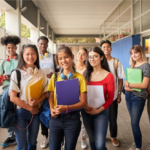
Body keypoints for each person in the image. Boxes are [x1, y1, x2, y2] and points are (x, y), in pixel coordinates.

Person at [47, 46, 87, 150]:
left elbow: (83, 103)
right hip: (56, 119)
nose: (63, 60)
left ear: (72, 57)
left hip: (72, 119)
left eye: (66, 57)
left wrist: (66, 108)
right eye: (60, 58)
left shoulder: (80, 78)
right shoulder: (54, 77)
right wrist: (51, 109)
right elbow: (50, 96)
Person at [9, 44, 48, 150]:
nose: (30, 57)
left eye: (33, 54)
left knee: (32, 143)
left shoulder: (41, 73)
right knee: (22, 146)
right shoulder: (16, 73)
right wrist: (30, 108)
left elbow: (46, 93)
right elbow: (13, 98)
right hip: (21, 112)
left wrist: (37, 102)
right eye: (27, 54)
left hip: (36, 111)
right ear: (22, 55)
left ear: (37, 55)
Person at [82, 47, 115, 150]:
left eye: (95, 56)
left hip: (101, 112)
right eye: (90, 57)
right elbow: (82, 93)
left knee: (100, 145)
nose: (92, 59)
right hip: (86, 111)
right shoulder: (85, 74)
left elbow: (110, 98)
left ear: (101, 58)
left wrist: (97, 111)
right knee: (92, 141)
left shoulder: (108, 76)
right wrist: (85, 106)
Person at [100, 40, 126, 147]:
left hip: (112, 95)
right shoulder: (98, 62)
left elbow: (120, 79)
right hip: (100, 95)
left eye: (108, 47)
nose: (106, 49)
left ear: (111, 49)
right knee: (100, 117)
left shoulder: (116, 62)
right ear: (101, 49)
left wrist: (119, 93)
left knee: (113, 118)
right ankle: (101, 135)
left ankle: (113, 136)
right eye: (104, 47)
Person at [124, 45, 150, 150]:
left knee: (134, 123)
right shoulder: (132, 65)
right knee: (133, 121)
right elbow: (126, 83)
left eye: (136, 53)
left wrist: (129, 85)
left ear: (141, 53)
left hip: (138, 98)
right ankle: (136, 140)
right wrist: (126, 87)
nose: (134, 55)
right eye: (132, 53)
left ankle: (138, 147)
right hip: (129, 96)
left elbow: (144, 85)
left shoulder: (146, 66)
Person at [37, 36, 59, 148]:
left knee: (52, 111)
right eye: (41, 43)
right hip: (39, 89)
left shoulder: (53, 57)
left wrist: (53, 74)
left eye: (45, 44)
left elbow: (59, 70)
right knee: (42, 112)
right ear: (38, 44)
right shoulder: (35, 57)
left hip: (52, 88)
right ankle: (44, 135)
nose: (43, 46)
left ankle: (55, 135)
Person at [0, 35, 20, 147]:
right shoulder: (3, 62)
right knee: (7, 110)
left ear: (16, 48)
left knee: (18, 113)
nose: (11, 50)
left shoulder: (21, 59)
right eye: (8, 48)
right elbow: (0, 80)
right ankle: (11, 136)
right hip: (6, 89)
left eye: (13, 47)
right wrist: (3, 78)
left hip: (18, 89)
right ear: (6, 48)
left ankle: (21, 135)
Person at [75, 48, 88, 149]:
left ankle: (83, 138)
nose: (80, 55)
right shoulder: (71, 67)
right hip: (72, 96)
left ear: (86, 57)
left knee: (84, 119)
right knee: (73, 118)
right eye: (79, 53)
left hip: (84, 96)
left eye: (83, 54)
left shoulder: (88, 68)